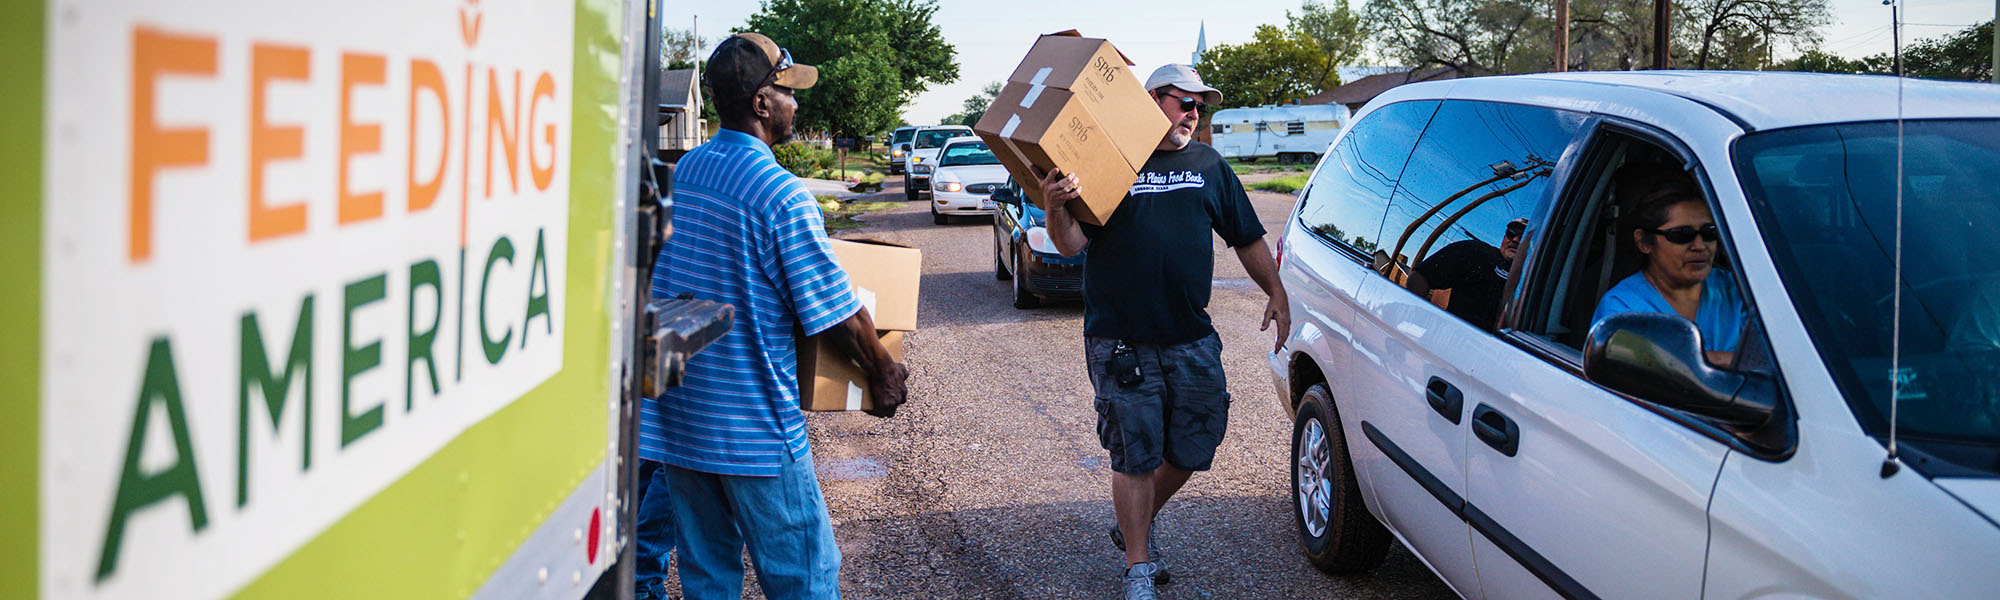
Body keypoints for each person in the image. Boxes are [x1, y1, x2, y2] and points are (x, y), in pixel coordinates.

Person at [643, 32, 910, 600]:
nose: (797, 104)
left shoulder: (686, 171)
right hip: (753, 428)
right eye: (789, 92)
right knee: (805, 579)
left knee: (708, 577)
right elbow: (836, 312)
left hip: (683, 421)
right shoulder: (779, 194)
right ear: (762, 104)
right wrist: (883, 372)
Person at [1035, 64, 1289, 600]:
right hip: (1120, 338)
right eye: (1184, 102)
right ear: (1151, 100)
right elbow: (1070, 246)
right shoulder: (1110, 165)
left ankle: (1134, 523)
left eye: (1201, 105)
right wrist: (1054, 207)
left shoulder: (1210, 165)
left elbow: (1246, 237)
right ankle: (1138, 566)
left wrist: (1277, 291)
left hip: (1190, 334)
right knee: (1136, 452)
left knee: (1199, 439)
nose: (1194, 114)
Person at [1590, 174, 1746, 366]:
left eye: (1709, 233)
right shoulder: (1622, 308)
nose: (1699, 245)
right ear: (1644, 242)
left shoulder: (1739, 290)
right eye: (1681, 235)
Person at [1408, 218, 1527, 330]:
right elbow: (1421, 276)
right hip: (1449, 341)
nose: (1515, 240)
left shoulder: (1533, 281)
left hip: (1495, 349)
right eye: (1511, 234)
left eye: (1523, 237)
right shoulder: (1476, 252)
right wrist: (1416, 314)